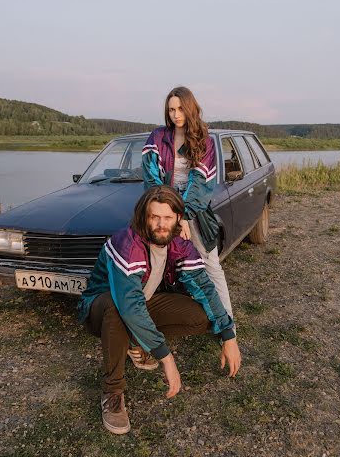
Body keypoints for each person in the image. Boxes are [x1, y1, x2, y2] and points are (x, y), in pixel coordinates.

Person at [78, 186, 241, 435]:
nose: (161, 225)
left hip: (142, 303)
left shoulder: (178, 242)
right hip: (101, 309)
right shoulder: (128, 242)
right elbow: (129, 304)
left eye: (167, 218)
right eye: (154, 217)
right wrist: (166, 357)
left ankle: (136, 341)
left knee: (199, 316)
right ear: (144, 217)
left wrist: (228, 334)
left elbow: (205, 287)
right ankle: (113, 393)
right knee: (117, 307)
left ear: (178, 218)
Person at [142, 86, 234, 318]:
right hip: (163, 205)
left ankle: (227, 323)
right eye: (171, 109)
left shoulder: (205, 140)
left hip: (194, 210)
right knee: (154, 261)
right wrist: (169, 211)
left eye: (181, 108)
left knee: (210, 263)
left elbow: (202, 182)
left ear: (190, 108)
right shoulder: (157, 137)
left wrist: (183, 216)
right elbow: (151, 176)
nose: (176, 114)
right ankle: (140, 320)